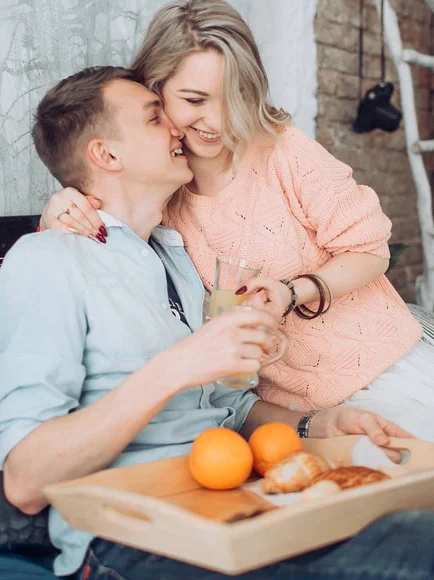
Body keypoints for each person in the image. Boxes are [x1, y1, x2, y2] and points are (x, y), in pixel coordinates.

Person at [0, 65, 432, 580]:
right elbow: (25, 483)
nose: (178, 128)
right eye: (156, 117)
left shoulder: (178, 259)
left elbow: (228, 406)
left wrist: (316, 424)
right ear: (107, 155)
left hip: (238, 507)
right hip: (134, 539)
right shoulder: (50, 260)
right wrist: (177, 366)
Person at [40, 0, 434, 441]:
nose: (217, 121)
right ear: (154, 89)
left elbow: (368, 248)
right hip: (289, 413)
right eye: (194, 99)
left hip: (382, 371)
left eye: (234, 97)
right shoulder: (157, 185)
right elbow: (86, 235)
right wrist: (61, 208)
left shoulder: (282, 151)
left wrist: (290, 292)